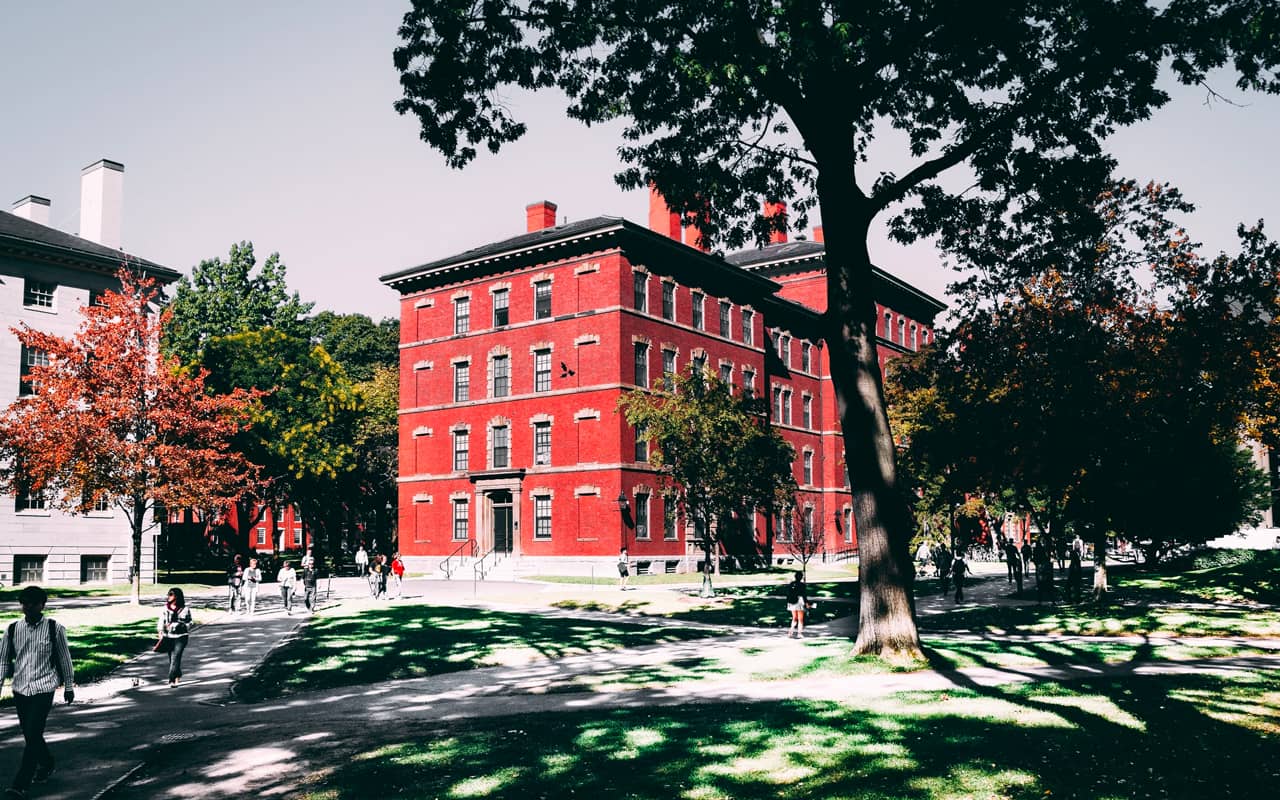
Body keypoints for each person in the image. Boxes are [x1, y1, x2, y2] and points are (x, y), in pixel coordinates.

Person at [0, 586, 75, 797]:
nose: (29, 607)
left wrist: (68, 685)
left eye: (33, 603)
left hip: (44, 687)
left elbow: (64, 659)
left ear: (42, 605)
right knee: (30, 734)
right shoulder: (13, 629)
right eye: (25, 603)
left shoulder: (54, 628)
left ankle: (20, 783)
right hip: (20, 688)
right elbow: (3, 662)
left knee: (33, 733)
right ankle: (47, 762)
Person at [157, 588, 193, 686]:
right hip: (169, 636)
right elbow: (161, 620)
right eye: (168, 594)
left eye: (171, 594)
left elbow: (190, 621)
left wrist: (183, 625)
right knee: (171, 658)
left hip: (181, 637)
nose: (168, 596)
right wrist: (160, 631)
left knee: (176, 657)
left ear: (177, 596)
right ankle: (178, 674)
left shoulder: (185, 609)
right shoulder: (165, 608)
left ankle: (171, 679)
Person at [785, 573, 813, 638]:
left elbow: (788, 593)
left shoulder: (791, 584)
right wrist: (807, 603)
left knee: (794, 618)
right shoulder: (802, 585)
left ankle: (790, 632)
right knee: (800, 619)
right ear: (801, 577)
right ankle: (799, 634)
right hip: (799, 601)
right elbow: (804, 595)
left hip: (792, 602)